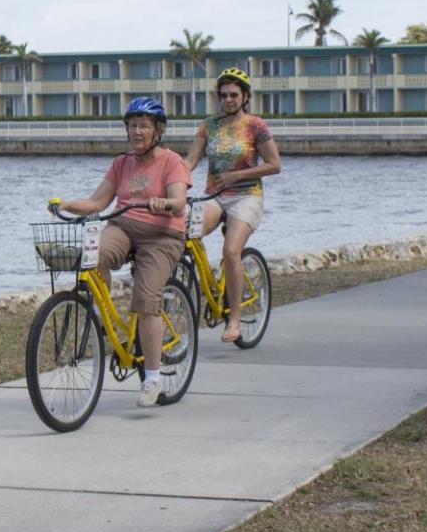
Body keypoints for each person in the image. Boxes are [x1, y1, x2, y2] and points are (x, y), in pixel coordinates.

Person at [54, 97, 191, 406]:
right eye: (132, 126)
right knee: (92, 256)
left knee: (146, 299)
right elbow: (97, 203)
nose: (137, 132)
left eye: (144, 126)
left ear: (158, 130)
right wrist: (65, 205)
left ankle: (152, 378)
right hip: (125, 226)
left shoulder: (172, 161)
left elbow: (179, 201)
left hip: (162, 233)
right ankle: (106, 319)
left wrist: (164, 203)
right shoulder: (121, 162)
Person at [182, 67, 282, 341]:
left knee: (230, 250)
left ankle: (234, 320)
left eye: (234, 95)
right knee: (183, 235)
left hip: (246, 195)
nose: (228, 100)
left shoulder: (256, 126)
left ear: (245, 96)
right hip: (215, 196)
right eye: (224, 95)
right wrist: (172, 178)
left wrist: (237, 174)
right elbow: (190, 161)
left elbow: (274, 165)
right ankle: (205, 288)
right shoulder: (209, 125)